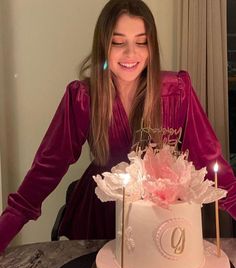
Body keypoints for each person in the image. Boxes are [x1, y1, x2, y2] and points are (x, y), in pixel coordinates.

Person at [0, 0, 236, 253]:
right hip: (100, 217)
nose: (131, 53)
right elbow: (44, 171)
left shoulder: (176, 91)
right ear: (103, 45)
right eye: (118, 42)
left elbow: (214, 166)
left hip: (160, 217)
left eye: (141, 41)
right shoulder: (83, 98)